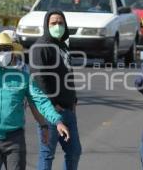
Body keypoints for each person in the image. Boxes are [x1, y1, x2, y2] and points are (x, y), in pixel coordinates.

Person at [0, 32, 70, 170]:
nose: (3, 53)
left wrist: (56, 121)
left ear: (12, 51)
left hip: (14, 140)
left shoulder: (23, 77)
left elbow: (41, 100)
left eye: (6, 49)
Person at [29, 10, 81, 170]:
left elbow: (68, 75)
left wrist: (73, 101)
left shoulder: (63, 46)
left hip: (68, 110)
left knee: (74, 151)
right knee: (47, 154)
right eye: (53, 23)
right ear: (46, 25)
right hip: (51, 112)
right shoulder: (41, 47)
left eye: (61, 23)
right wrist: (52, 104)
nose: (57, 26)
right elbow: (39, 78)